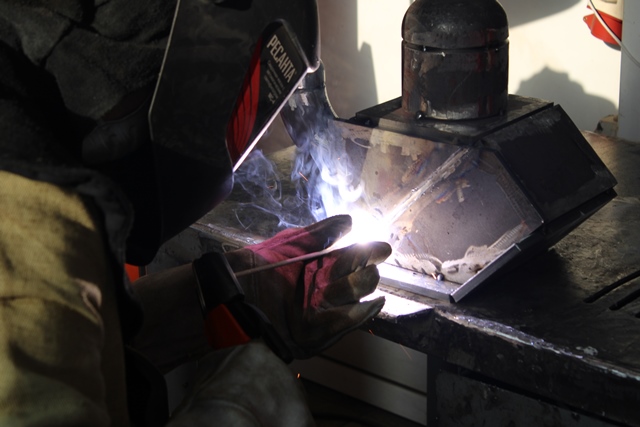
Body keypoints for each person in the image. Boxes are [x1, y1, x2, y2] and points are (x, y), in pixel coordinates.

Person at [0, 0, 391, 426]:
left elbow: (81, 354)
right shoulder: (29, 224)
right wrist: (229, 414)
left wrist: (213, 297)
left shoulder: (32, 173)